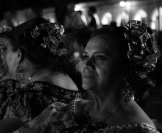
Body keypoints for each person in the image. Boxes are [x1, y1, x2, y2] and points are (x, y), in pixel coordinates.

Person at [12, 20, 161, 133]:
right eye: (85, 56)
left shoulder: (139, 129)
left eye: (100, 57)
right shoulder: (61, 112)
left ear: (126, 68)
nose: (87, 64)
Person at [0, 17, 81, 133]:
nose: (5, 56)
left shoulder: (29, 95)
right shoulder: (67, 78)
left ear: (18, 55)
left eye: (6, 50)